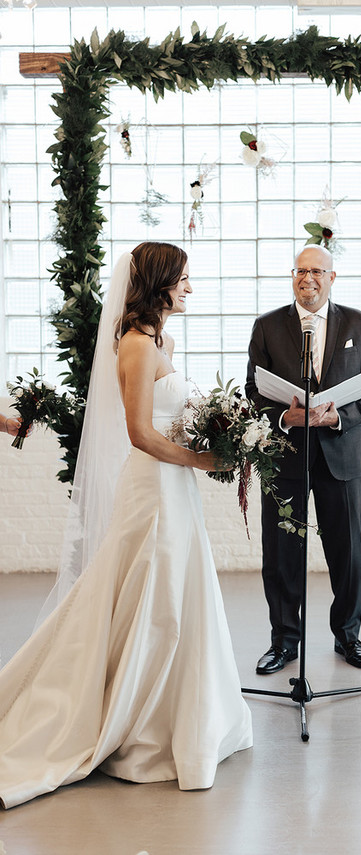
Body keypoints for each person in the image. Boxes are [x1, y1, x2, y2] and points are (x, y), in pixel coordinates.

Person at [0, 242, 252, 810]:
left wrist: (212, 434)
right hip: (154, 486)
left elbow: (173, 418)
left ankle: (180, 712)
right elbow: (140, 432)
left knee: (178, 592)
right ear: (160, 282)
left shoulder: (164, 338)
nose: (189, 287)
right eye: (183, 279)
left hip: (175, 485)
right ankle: (135, 721)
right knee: (151, 597)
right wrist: (203, 461)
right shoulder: (136, 345)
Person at [245, 245, 361, 675]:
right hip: (284, 457)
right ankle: (284, 641)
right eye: (300, 271)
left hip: (340, 458)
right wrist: (284, 417)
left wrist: (338, 416)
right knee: (283, 553)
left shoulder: (359, 324)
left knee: (347, 553)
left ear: (332, 277)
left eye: (317, 272)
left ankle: (348, 636)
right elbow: (252, 393)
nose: (308, 279)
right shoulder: (267, 326)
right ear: (293, 276)